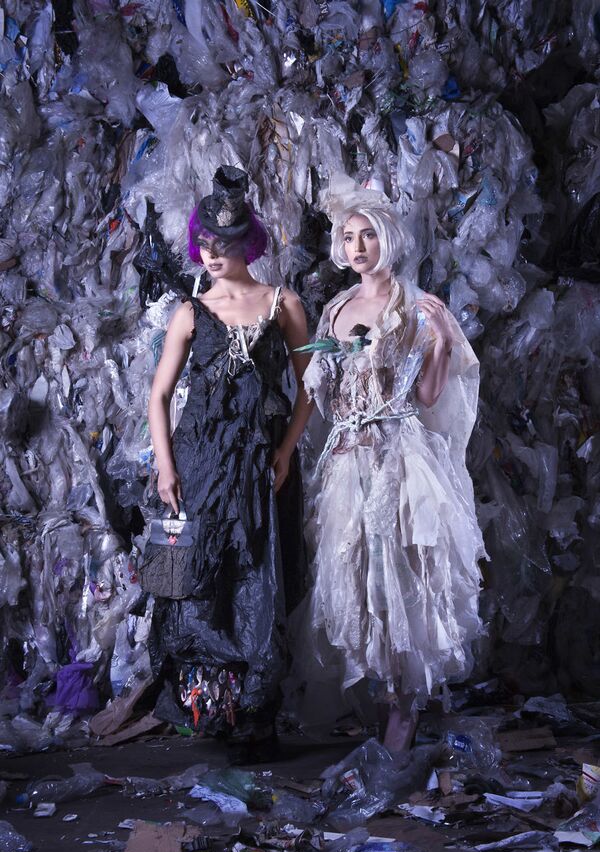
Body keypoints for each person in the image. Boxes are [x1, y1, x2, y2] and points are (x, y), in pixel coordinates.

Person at [294, 174, 485, 751]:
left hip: (398, 457)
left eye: (368, 235)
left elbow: (427, 396)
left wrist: (443, 341)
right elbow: (323, 392)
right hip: (348, 459)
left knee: (401, 575)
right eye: (349, 237)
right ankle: (379, 702)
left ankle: (404, 705)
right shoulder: (335, 308)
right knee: (357, 576)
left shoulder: (414, 306)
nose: (357, 247)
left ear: (388, 239)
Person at [147, 166, 312, 755]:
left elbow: (311, 387)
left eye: (225, 244)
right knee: (198, 582)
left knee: (260, 580)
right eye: (205, 244)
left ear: (248, 243)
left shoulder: (284, 303)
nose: (212, 255)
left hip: (261, 468)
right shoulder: (189, 311)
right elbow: (159, 397)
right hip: (200, 464)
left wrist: (285, 452)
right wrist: (166, 468)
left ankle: (257, 717)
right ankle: (209, 711)